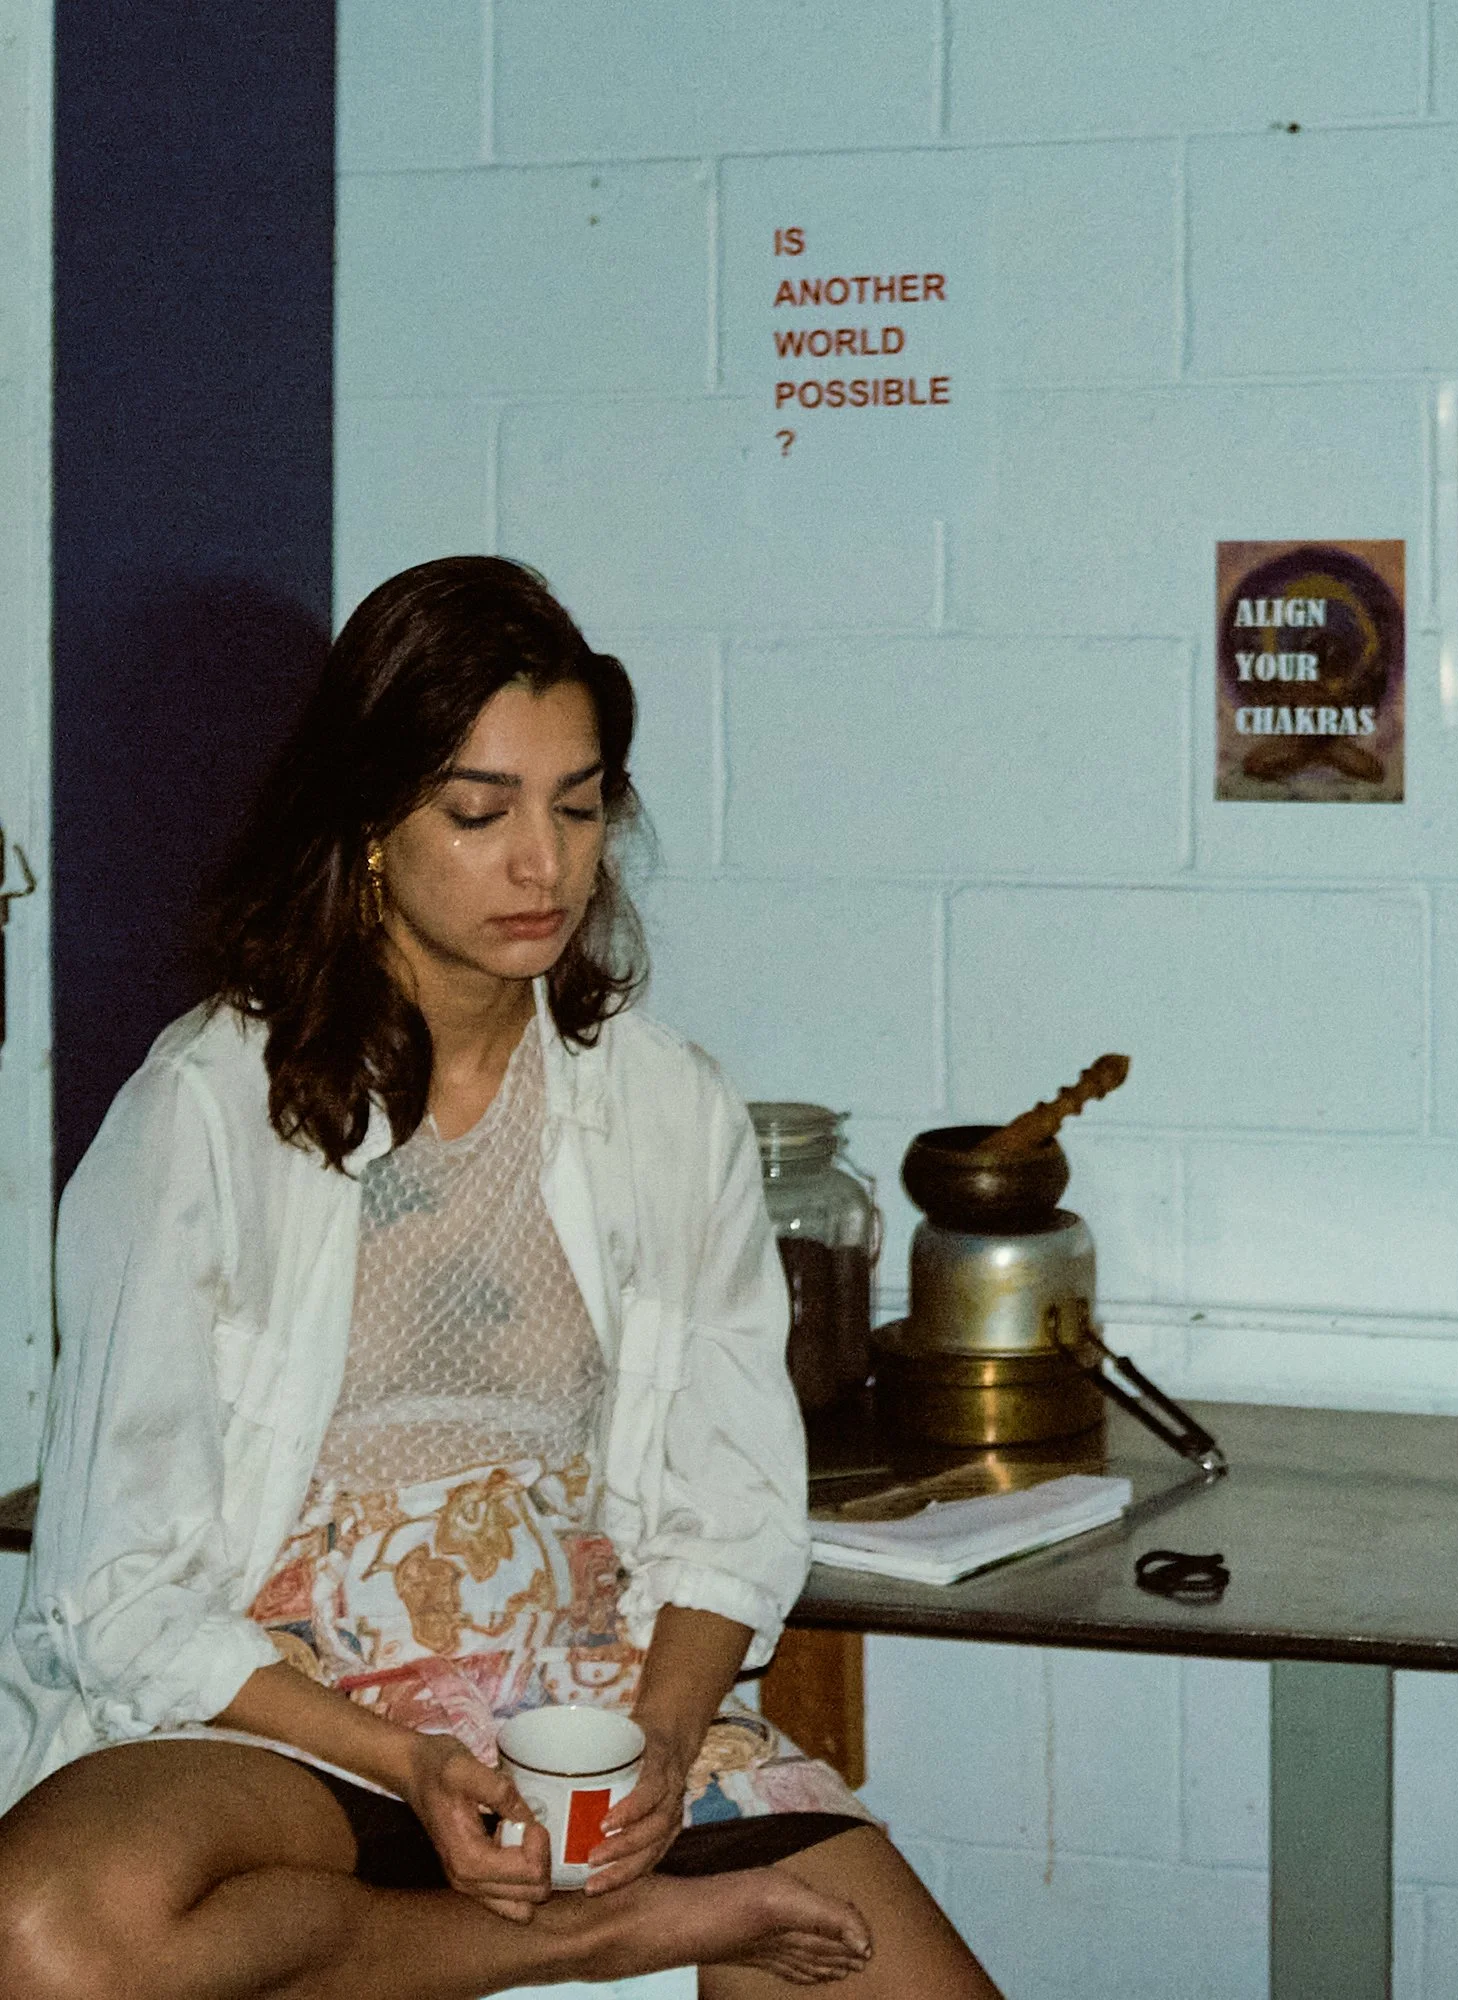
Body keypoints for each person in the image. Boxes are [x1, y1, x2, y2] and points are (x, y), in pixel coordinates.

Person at [0, 557, 1002, 1998]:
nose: (546, 864)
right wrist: (409, 1761)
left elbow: (729, 1510)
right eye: (480, 813)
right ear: (366, 825)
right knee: (46, 1930)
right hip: (289, 1723)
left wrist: (659, 1740)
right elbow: (115, 1589)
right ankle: (613, 1936)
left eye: (580, 804)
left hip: (581, 1706)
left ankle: (606, 1894)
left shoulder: (663, 1108)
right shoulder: (207, 1112)